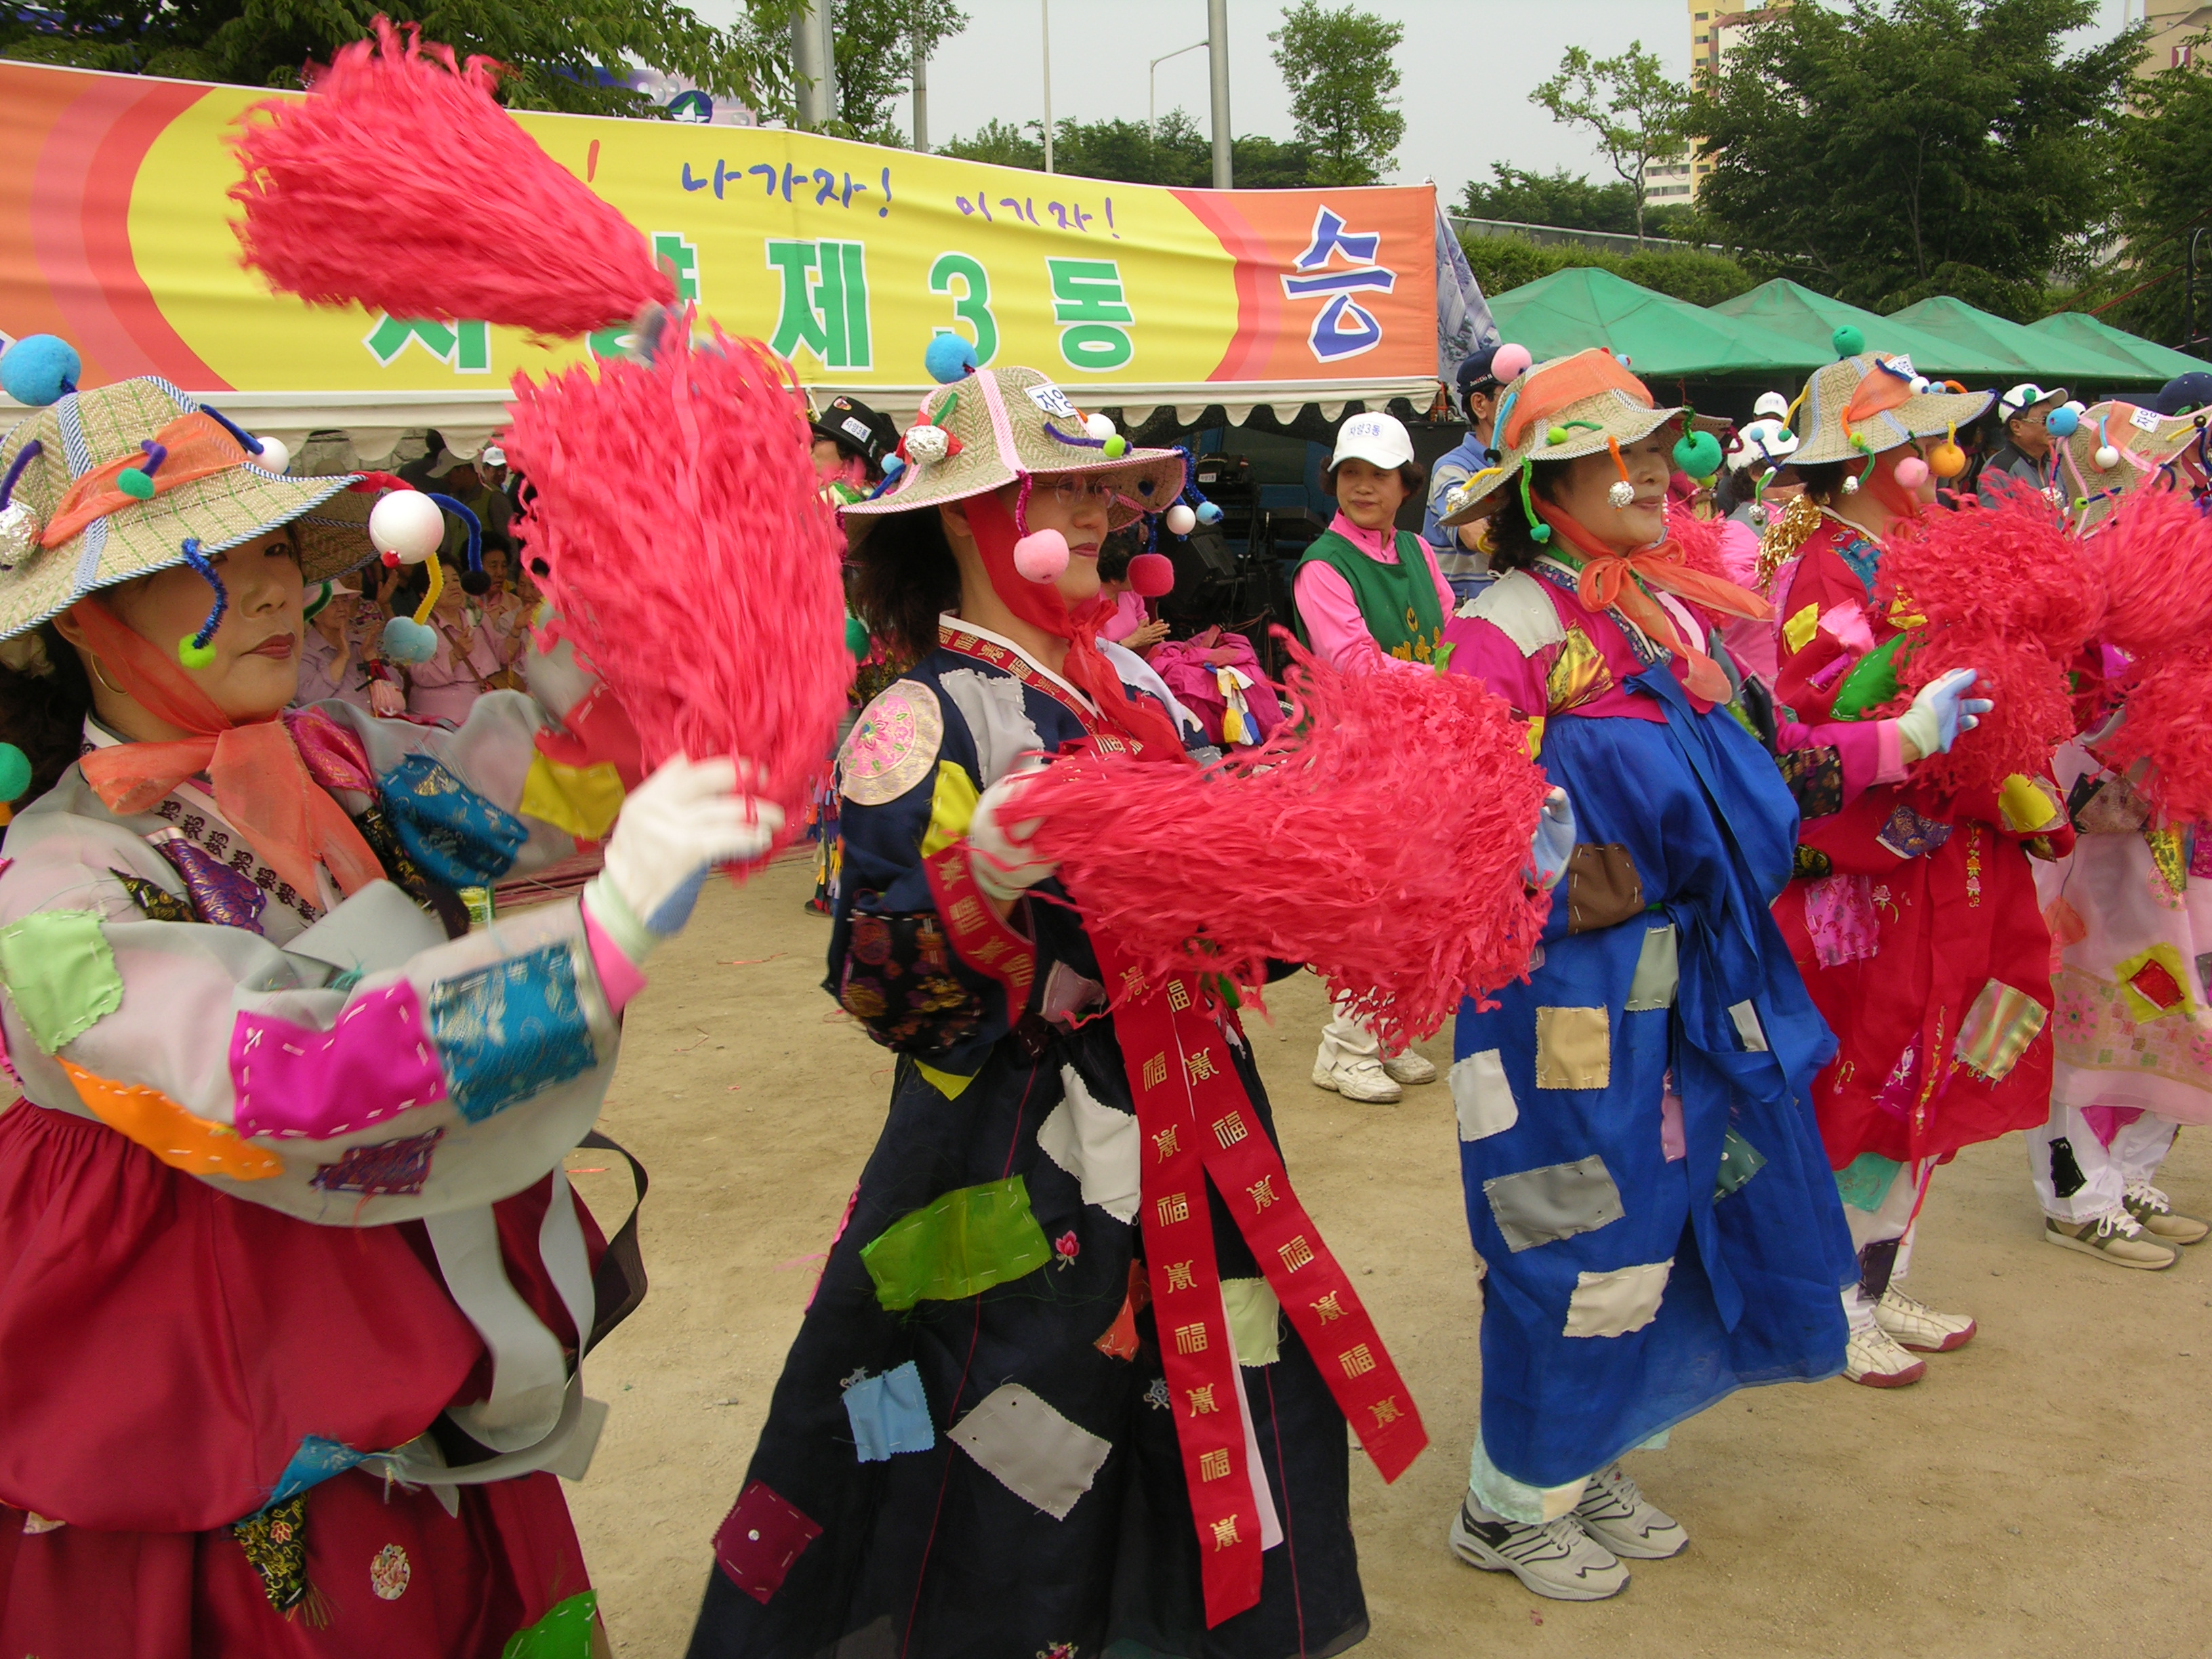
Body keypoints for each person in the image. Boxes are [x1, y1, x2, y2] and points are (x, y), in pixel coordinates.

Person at [0, 371, 779, 1653]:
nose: (267, 588)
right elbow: (281, 1080)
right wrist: (593, 944)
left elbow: (546, 783)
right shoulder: (61, 890)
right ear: (84, 617)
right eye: (210, 560)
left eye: (272, 551)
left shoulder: (330, 756)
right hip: (229, 1415)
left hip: (425, 1342)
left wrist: (652, 600)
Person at [688, 365, 1401, 1659]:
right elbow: (882, 983)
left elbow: (1224, 920)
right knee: (1013, 1413)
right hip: (1015, 1142)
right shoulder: (914, 719)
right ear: (965, 515)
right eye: (1052, 488)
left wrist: (1339, 872)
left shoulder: (1138, 685)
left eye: (1096, 488)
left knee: (1208, 1380)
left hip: (1190, 1100)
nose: (1087, 515)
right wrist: (981, 882)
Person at [1428, 348, 1859, 1601]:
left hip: (1675, 978)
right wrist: (1576, 868)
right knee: (1563, 1222)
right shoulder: (1503, 625)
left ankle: (1591, 1448)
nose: (1662, 470)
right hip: (1554, 997)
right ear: (1549, 480)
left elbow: (1762, 763)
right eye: (1629, 450)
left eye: (1660, 445)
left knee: (1663, 1211)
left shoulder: (1658, 613)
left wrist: (1892, 741)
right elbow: (1467, 834)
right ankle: (1506, 1501)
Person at [1765, 352, 2070, 1387]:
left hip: (1968, 855)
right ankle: (1831, 1294)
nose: (1934, 454)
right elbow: (1821, 714)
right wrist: (1916, 692)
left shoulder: (1937, 544)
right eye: (1909, 437)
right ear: (1856, 458)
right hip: (1880, 872)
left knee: (1951, 1053)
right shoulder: (1822, 570)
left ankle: (1884, 1275)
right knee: (1873, 1064)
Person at [2022, 403, 2212, 1269]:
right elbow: (2042, 708)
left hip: (2169, 827)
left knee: (2174, 993)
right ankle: (2076, 1190)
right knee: (2084, 1001)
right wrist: (2093, 780)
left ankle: (2130, 1167)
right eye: (2156, 465)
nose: (2174, 479)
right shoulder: (2063, 573)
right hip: (2093, 836)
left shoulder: (2182, 565)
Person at [1293, 411, 1450, 1105]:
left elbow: (1451, 630)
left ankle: (1386, 1032)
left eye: (1379, 475)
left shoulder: (1418, 551)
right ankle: (1346, 1049)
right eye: (1351, 473)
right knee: (1373, 902)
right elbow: (1355, 665)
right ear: (1334, 480)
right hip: (1358, 758)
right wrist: (1448, 686)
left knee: (1415, 899)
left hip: (1419, 752)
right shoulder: (1323, 566)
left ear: (1405, 485)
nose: (1364, 487)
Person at [1425, 344, 1511, 602]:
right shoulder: (1452, 469)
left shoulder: (1525, 463)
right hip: (1462, 614)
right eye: (1511, 396)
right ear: (1480, 404)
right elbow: (1474, 534)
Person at [404, 558, 506, 726]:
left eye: (455, 579)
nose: (453, 586)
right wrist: (455, 656)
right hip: (446, 717)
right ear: (424, 595)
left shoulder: (476, 615)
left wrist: (517, 630)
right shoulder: (417, 629)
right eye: (443, 583)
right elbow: (420, 674)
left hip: (488, 704)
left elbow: (502, 653)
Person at [1975, 383, 2067, 504]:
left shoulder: (2055, 464)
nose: (2053, 425)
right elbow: (1995, 522)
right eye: (2046, 419)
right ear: (2016, 427)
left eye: (2054, 418)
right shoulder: (2000, 470)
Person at [293, 578, 375, 711]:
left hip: (375, 724)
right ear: (316, 614)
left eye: (344, 601)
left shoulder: (360, 643)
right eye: (333, 603)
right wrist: (342, 657)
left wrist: (372, 658)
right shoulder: (304, 652)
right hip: (335, 729)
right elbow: (307, 697)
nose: (342, 608)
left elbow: (397, 687)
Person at [810, 394, 898, 506]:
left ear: (845, 450)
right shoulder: (880, 495)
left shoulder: (828, 497)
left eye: (816, 440)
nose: (808, 449)